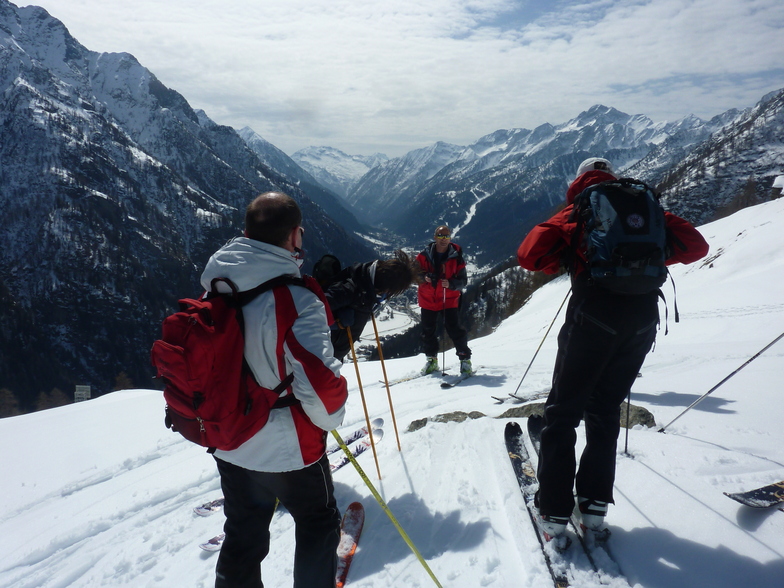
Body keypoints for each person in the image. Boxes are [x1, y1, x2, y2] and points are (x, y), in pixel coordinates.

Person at [517, 157, 709, 541]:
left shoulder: (579, 211)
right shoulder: (647, 208)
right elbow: (697, 247)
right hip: (641, 321)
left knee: (563, 413)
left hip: (593, 318)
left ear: (579, 182)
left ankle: (554, 511)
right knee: (604, 410)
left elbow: (529, 255)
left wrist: (574, 247)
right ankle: (594, 507)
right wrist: (644, 260)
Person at [200, 191, 349, 588]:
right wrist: (333, 419)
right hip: (288, 447)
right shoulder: (297, 299)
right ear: (294, 236)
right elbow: (319, 384)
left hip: (229, 436)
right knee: (318, 523)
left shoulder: (217, 285)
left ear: (246, 233)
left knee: (244, 532)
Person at [323, 250, 420, 362]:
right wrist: (333, 321)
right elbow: (311, 309)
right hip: (322, 357)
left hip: (333, 357)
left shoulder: (368, 290)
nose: (388, 294)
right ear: (385, 284)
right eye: (391, 291)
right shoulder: (351, 289)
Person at [416, 225, 472, 375]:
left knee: (454, 330)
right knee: (428, 332)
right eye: (440, 236)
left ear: (450, 238)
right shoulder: (423, 256)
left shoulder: (457, 257)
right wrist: (424, 278)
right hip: (428, 299)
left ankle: (465, 360)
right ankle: (431, 360)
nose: (444, 239)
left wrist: (451, 284)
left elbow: (463, 281)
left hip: (448, 300)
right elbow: (414, 274)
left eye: (446, 236)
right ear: (435, 237)